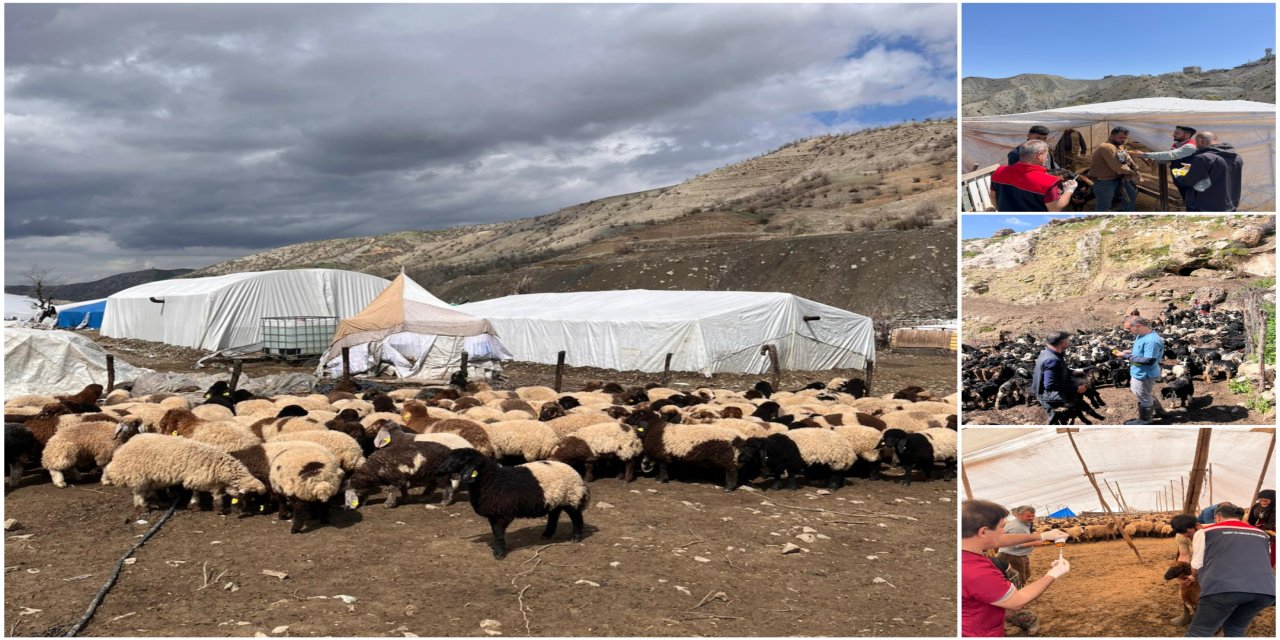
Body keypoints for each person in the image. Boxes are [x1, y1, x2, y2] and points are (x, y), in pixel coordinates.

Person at [962, 500, 1070, 637]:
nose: (1004, 531)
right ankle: (1026, 620)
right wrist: (1053, 573)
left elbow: (999, 540)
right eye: (1001, 527)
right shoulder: (976, 572)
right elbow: (1016, 600)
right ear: (983, 531)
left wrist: (1042, 535)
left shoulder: (966, 546)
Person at [1185, 502, 1276, 637]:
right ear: (1240, 518)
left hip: (1223, 589)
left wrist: (1194, 579)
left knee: (1199, 632)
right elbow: (1266, 561)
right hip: (1265, 591)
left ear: (1217, 518)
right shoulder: (1262, 534)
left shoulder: (1205, 532)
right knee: (1235, 629)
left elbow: (1197, 565)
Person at [990, 140, 1077, 212]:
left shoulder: (999, 172)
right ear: (1039, 155)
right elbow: (1056, 208)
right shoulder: (1049, 182)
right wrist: (1069, 190)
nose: (1047, 159)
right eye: (1046, 155)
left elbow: (993, 197)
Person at [1175, 131, 1243, 212]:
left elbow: (1190, 181)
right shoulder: (1237, 158)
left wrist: (1179, 175)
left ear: (1201, 141)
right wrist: (1194, 168)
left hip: (1205, 206)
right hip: (1230, 205)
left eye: (1196, 144)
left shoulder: (1203, 158)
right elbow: (1220, 174)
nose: (1196, 147)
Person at [1031, 332, 1089, 423]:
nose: (1069, 341)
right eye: (1068, 340)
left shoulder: (1047, 353)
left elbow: (1057, 371)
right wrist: (1076, 389)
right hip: (1048, 395)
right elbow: (1050, 385)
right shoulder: (1052, 360)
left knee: (1061, 419)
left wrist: (1072, 372)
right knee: (1056, 419)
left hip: (1045, 392)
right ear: (1063, 343)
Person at [1119, 316, 1168, 425]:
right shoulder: (1141, 336)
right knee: (1145, 393)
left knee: (1143, 395)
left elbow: (1148, 360)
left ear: (1138, 326)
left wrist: (1126, 356)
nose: (1128, 331)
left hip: (1145, 374)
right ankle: (1159, 411)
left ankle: (1146, 420)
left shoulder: (1152, 340)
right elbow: (1142, 351)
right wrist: (1131, 351)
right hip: (1139, 371)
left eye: (1129, 329)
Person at [1131, 126, 1199, 204]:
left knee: (1192, 200)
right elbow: (1169, 158)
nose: (1174, 135)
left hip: (1189, 178)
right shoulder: (1177, 144)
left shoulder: (1190, 146)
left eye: (1177, 133)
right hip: (1180, 177)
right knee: (1186, 198)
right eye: (1174, 132)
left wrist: (1145, 154)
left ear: (1187, 135)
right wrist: (1148, 158)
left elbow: (1171, 155)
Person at [1088, 126, 1140, 212]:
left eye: (1125, 138)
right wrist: (1132, 172)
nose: (1123, 140)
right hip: (1104, 181)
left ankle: (1126, 214)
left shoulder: (1119, 146)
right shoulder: (1107, 147)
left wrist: (1134, 166)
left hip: (1116, 178)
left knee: (1131, 195)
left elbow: (1126, 157)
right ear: (1111, 136)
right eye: (1120, 137)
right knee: (1104, 206)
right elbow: (1116, 166)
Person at [995, 506, 1048, 586]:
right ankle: (1015, 595)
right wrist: (1034, 543)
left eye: (1032, 516)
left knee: (1026, 575)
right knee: (1018, 579)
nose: (1031, 518)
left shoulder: (1023, 523)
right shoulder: (1017, 527)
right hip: (1011, 556)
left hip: (1019, 555)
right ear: (1020, 515)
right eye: (1028, 516)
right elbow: (1016, 545)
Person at [1169, 514, 1201, 625]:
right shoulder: (1181, 535)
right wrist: (1183, 575)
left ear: (1196, 526)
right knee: (1187, 586)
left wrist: (1196, 575)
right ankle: (1188, 613)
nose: (1185, 535)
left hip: (1210, 560)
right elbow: (1184, 554)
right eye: (1181, 533)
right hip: (1196, 558)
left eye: (1187, 532)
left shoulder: (1206, 533)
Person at [1246, 489, 1275, 567]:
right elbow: (1251, 519)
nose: (1263, 503)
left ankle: (1267, 566)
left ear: (1272, 500)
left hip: (1272, 530)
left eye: (1266, 501)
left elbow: (1272, 523)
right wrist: (1250, 528)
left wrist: (1259, 531)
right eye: (1261, 500)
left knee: (1271, 549)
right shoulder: (1256, 505)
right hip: (1259, 527)